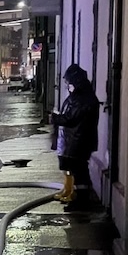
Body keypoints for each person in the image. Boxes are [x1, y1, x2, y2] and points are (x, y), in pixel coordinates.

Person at [50, 63, 101, 211]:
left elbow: (71, 118)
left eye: (69, 82)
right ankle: (79, 198)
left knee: (80, 172)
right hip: (77, 140)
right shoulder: (82, 96)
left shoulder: (82, 98)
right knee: (77, 170)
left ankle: (82, 201)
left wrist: (55, 118)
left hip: (79, 141)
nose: (68, 85)